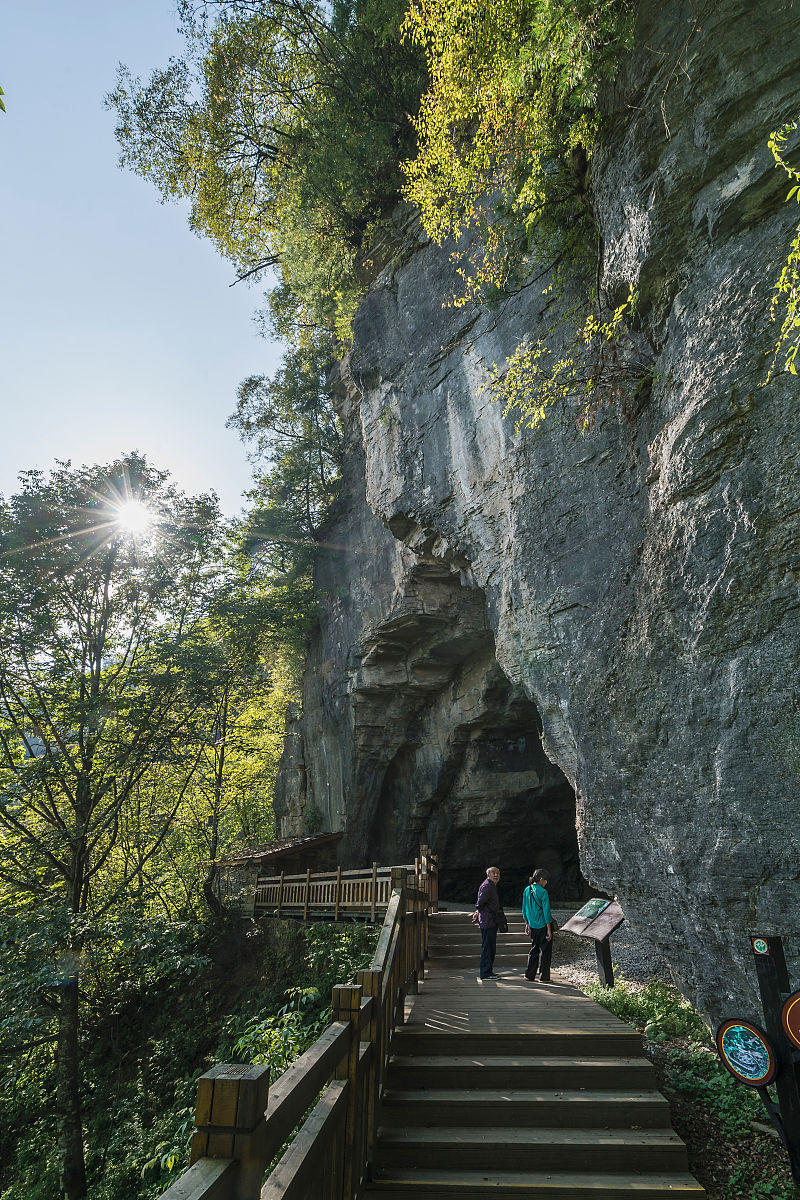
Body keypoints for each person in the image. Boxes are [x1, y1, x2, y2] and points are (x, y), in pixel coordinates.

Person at [522, 868, 552, 982]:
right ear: (540, 879)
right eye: (545, 880)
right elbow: (546, 911)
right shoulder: (543, 892)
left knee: (534, 949)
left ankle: (529, 975)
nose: (546, 883)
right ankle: (544, 977)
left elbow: (524, 909)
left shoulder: (527, 890)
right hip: (543, 925)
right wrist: (549, 929)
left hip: (532, 925)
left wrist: (527, 924)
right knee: (545, 951)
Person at [475, 866, 502, 979]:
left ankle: (488, 971)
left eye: (497, 873)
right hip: (487, 921)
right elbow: (480, 902)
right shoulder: (487, 886)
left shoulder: (491, 886)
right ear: (488, 875)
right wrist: (478, 910)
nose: (496, 875)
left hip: (491, 920)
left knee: (491, 947)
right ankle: (485, 973)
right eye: (493, 873)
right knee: (488, 947)